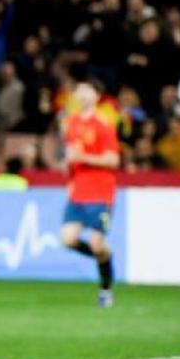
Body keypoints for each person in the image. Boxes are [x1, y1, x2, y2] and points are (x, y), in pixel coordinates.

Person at [60, 81, 121, 307]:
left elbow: (113, 160)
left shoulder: (104, 124)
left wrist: (83, 158)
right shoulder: (71, 122)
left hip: (101, 193)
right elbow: (71, 156)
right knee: (68, 239)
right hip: (78, 191)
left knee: (96, 244)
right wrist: (70, 179)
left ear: (97, 96)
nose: (83, 95)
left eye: (88, 91)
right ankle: (105, 258)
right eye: (80, 91)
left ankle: (105, 289)